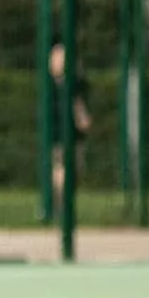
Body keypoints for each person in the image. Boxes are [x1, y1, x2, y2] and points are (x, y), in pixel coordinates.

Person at [47, 42, 91, 219]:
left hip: (73, 135)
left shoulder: (74, 84)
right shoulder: (52, 86)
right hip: (59, 134)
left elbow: (77, 103)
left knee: (76, 169)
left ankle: (63, 205)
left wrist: (82, 117)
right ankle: (60, 207)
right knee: (61, 168)